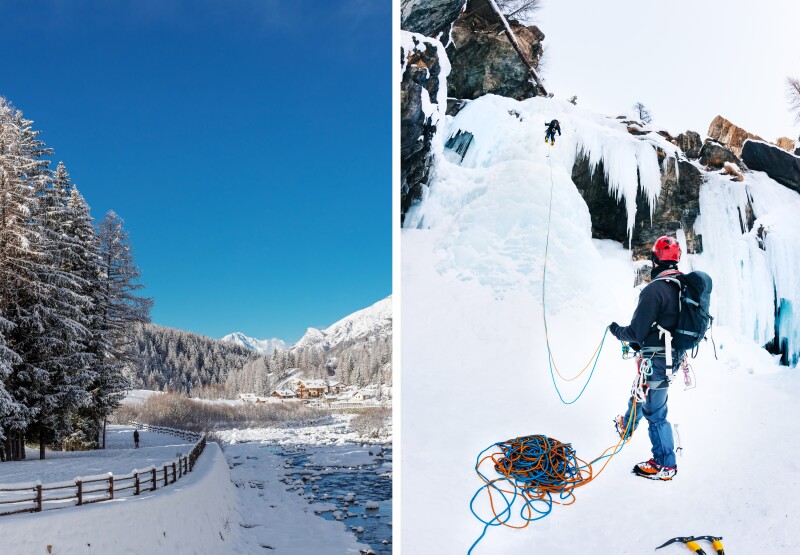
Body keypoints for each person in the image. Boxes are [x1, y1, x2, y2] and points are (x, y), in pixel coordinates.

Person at [608, 235, 682, 481]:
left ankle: (665, 464)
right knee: (641, 391)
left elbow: (636, 331)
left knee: (655, 412)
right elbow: (664, 325)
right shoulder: (681, 287)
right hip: (670, 356)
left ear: (655, 260)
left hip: (658, 362)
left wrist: (616, 330)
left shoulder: (655, 290)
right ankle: (627, 425)